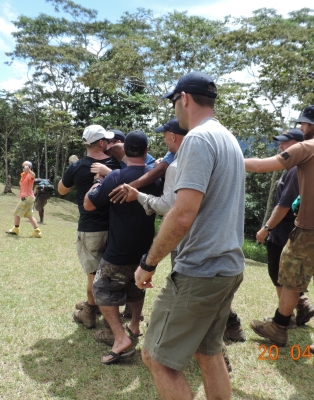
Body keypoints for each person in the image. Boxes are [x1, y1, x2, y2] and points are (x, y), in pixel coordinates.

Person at [135, 72, 245, 399]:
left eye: (174, 101)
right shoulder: (229, 139)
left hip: (200, 270)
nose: (175, 108)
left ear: (183, 98)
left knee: (156, 357)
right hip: (228, 268)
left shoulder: (197, 139)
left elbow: (182, 214)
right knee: (208, 354)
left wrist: (149, 262)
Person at [119, 118, 246, 343]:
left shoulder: (178, 166)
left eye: (165, 135)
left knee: (189, 301)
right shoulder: (218, 153)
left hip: (190, 245)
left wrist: (137, 195)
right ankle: (230, 327)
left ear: (173, 136)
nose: (164, 139)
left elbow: (170, 208)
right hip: (223, 246)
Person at [244, 104, 314, 366]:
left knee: (291, 277)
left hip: (310, 228)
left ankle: (278, 327)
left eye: (303, 125)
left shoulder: (307, 147)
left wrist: (226, 158)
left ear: (311, 125)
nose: (301, 128)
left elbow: (262, 166)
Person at [83, 130, 162, 365]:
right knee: (136, 286)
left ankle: (120, 337)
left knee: (101, 290)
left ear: (125, 151)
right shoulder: (156, 177)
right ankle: (135, 325)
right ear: (147, 151)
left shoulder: (116, 176)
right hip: (146, 249)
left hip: (119, 248)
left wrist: (98, 182)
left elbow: (89, 204)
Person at [58, 125, 121, 329]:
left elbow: (61, 189)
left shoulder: (76, 167)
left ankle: (90, 314)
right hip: (114, 228)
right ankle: (109, 311)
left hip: (90, 229)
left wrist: (74, 173)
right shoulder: (115, 164)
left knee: (93, 277)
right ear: (102, 143)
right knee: (111, 274)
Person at [256, 129, 314, 328]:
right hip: (292, 228)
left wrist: (266, 228)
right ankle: (301, 305)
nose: (280, 147)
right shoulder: (297, 169)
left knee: (278, 273)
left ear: (298, 146)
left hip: (285, 228)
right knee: (287, 272)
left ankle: (288, 316)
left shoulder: (294, 170)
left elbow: (283, 205)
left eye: (285, 143)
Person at [6, 161, 42, 238]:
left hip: (27, 198)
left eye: (27, 166)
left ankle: (16, 229)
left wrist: (28, 171)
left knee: (16, 213)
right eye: (23, 167)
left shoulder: (29, 175)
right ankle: (37, 232)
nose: (24, 168)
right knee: (29, 216)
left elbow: (34, 175)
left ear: (30, 168)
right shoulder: (24, 176)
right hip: (29, 198)